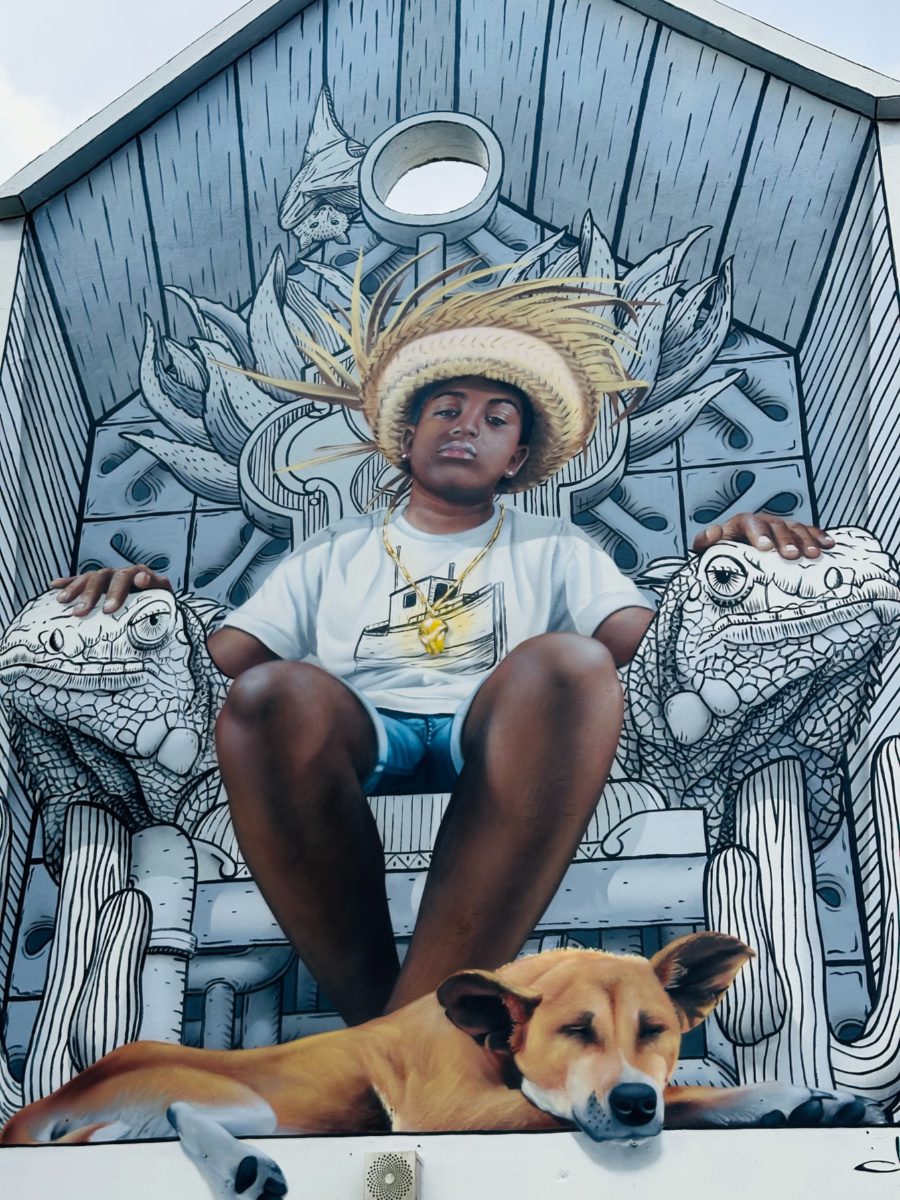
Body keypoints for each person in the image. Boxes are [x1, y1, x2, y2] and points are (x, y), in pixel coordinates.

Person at [51, 263, 834, 1027]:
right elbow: (209, 664)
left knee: (571, 664)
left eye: (497, 420)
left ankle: (385, 1043)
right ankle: (410, 1040)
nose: (467, 427)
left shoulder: (557, 547)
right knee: (269, 695)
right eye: (447, 410)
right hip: (362, 740)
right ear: (407, 437)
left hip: (500, 738)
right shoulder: (332, 554)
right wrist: (141, 603)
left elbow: (657, 646)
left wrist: (732, 561)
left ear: (517, 458)